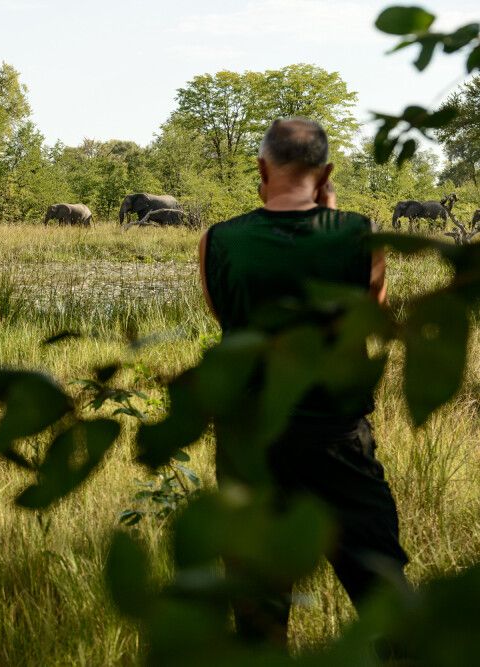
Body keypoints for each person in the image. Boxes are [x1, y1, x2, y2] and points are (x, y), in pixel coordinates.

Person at [198, 119, 409, 644]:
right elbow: (372, 316)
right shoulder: (360, 234)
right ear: (327, 172)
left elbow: (224, 316)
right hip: (337, 436)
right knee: (381, 585)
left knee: (256, 600)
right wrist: (332, 218)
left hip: (251, 441)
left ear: (261, 169)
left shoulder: (218, 239)